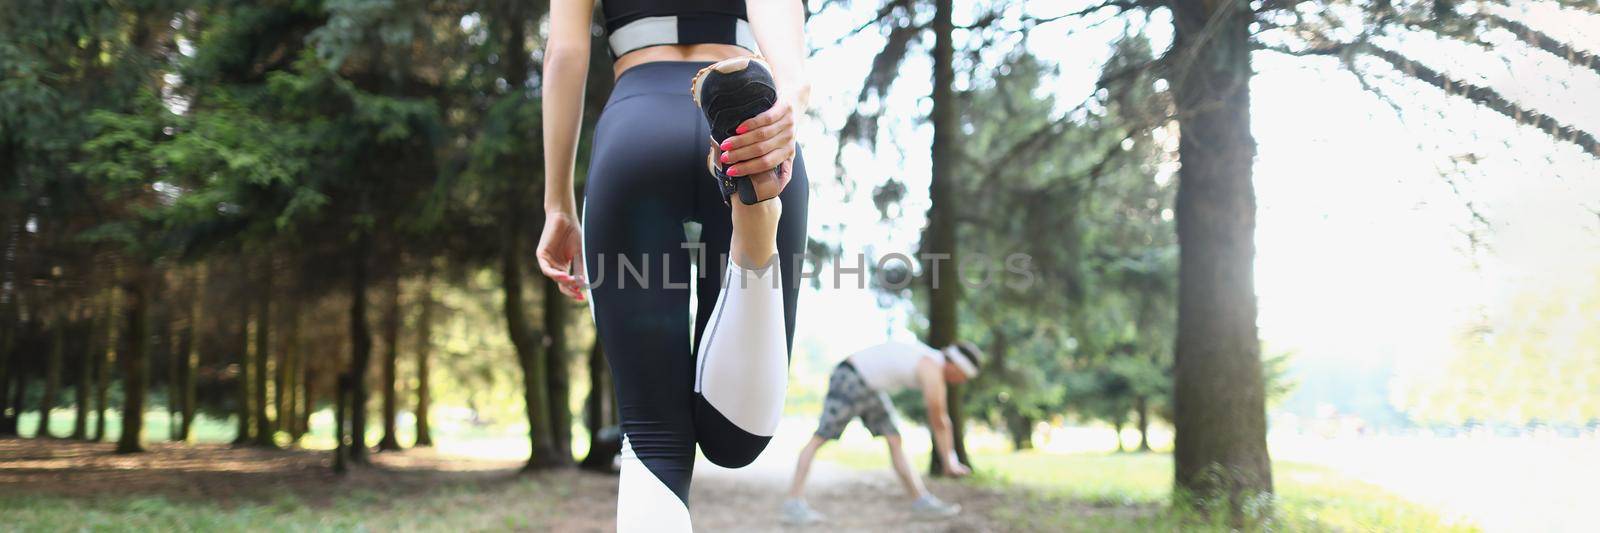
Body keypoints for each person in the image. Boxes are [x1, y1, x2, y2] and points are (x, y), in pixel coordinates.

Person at [535, 0, 810, 531]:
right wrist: (783, 115)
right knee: (735, 442)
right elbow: (784, 40)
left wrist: (557, 206)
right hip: (746, 135)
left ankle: (751, 222)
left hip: (636, 126)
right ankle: (754, 226)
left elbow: (565, 54)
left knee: (654, 437)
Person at [781, 339, 984, 524]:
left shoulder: (929, 360)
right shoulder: (931, 365)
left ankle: (921, 502)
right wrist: (950, 461)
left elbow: (940, 420)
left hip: (871, 386)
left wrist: (949, 459)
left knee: (894, 439)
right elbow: (939, 419)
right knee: (820, 438)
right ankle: (792, 503)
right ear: (955, 365)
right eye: (963, 376)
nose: (961, 381)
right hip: (851, 376)